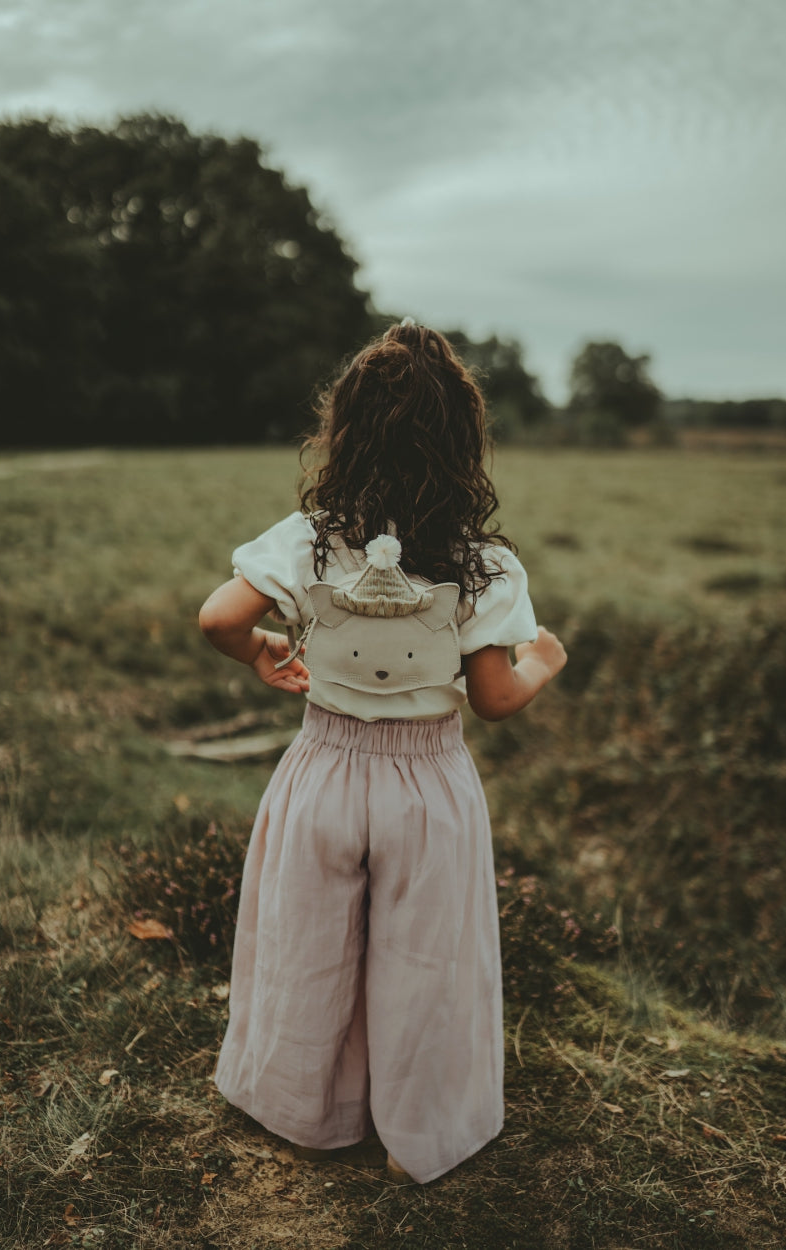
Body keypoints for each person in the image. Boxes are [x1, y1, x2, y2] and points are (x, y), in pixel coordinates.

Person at [199, 320, 567, 1185]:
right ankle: (417, 1140)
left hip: (322, 772)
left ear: (341, 434)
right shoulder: (481, 568)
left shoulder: (307, 539)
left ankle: (304, 1114)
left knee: (309, 945)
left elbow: (217, 618)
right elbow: (495, 700)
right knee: (425, 962)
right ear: (463, 444)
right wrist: (543, 660)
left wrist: (260, 655)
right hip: (429, 784)